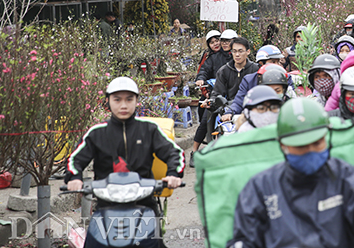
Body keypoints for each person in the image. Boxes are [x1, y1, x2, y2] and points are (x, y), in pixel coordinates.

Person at [227, 98, 354, 248]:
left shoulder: (344, 176)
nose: (310, 151)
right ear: (283, 145)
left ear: (326, 138)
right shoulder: (261, 187)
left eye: (317, 143)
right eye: (301, 146)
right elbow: (243, 239)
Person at [65, 77, 184, 210]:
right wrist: (75, 177)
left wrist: (173, 174)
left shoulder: (149, 129)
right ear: (108, 101)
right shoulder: (97, 133)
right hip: (106, 206)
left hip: (144, 205)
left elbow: (174, 152)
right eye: (117, 99)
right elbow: (75, 159)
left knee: (151, 229)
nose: (123, 105)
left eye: (129, 99)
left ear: (136, 101)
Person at [190, 36, 258, 167]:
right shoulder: (224, 70)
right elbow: (217, 93)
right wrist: (213, 102)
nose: (237, 54)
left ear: (248, 52)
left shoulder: (255, 70)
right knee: (206, 121)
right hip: (227, 107)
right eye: (234, 51)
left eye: (240, 51)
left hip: (250, 108)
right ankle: (197, 152)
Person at [225, 45, 286, 119]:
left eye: (278, 62)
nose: (277, 65)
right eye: (273, 62)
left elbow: (291, 100)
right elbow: (239, 101)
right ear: (261, 63)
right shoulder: (249, 80)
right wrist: (230, 113)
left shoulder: (285, 78)